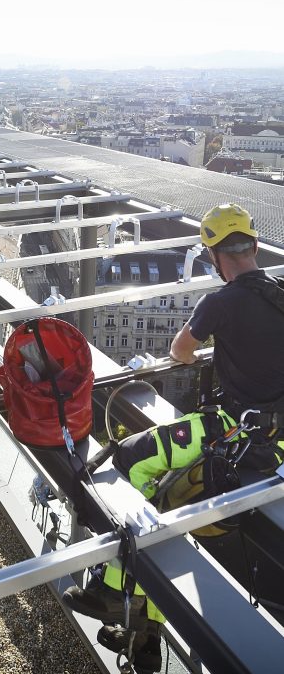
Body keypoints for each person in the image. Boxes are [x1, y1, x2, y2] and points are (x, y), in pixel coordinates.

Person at [63, 203, 284, 671]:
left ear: (215, 258)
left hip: (231, 431)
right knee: (168, 507)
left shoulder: (222, 302)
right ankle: (146, 624)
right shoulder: (281, 294)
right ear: (256, 247)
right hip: (277, 441)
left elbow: (180, 351)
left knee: (128, 461)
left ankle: (113, 587)